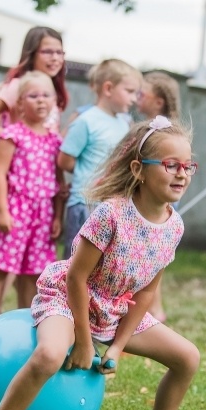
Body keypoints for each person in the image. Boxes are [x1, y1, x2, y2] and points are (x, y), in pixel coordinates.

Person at [0, 116, 202, 410]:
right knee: (49, 355)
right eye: (171, 165)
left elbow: (148, 291)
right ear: (139, 169)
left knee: (188, 357)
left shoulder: (175, 226)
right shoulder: (111, 214)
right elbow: (76, 278)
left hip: (114, 309)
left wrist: (118, 346)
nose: (181, 174)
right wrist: (84, 342)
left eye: (187, 166)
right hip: (69, 297)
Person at [0, 26, 68, 316]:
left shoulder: (53, 135)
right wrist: (13, 149)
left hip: (43, 206)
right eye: (47, 51)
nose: (55, 57)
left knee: (32, 269)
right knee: (4, 264)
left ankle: (25, 320)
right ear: (32, 53)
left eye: (59, 51)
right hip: (15, 197)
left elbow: (59, 176)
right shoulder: (16, 89)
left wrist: (58, 213)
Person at [58, 58, 141, 260]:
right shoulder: (86, 121)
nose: (134, 99)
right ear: (108, 88)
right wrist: (88, 173)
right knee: (75, 263)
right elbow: (65, 160)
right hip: (85, 204)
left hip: (112, 204)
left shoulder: (124, 124)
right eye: (130, 91)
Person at [135, 71, 180, 322]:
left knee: (151, 258)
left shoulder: (161, 136)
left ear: (158, 102)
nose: (137, 98)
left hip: (153, 206)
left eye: (142, 94)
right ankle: (152, 311)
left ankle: (153, 311)